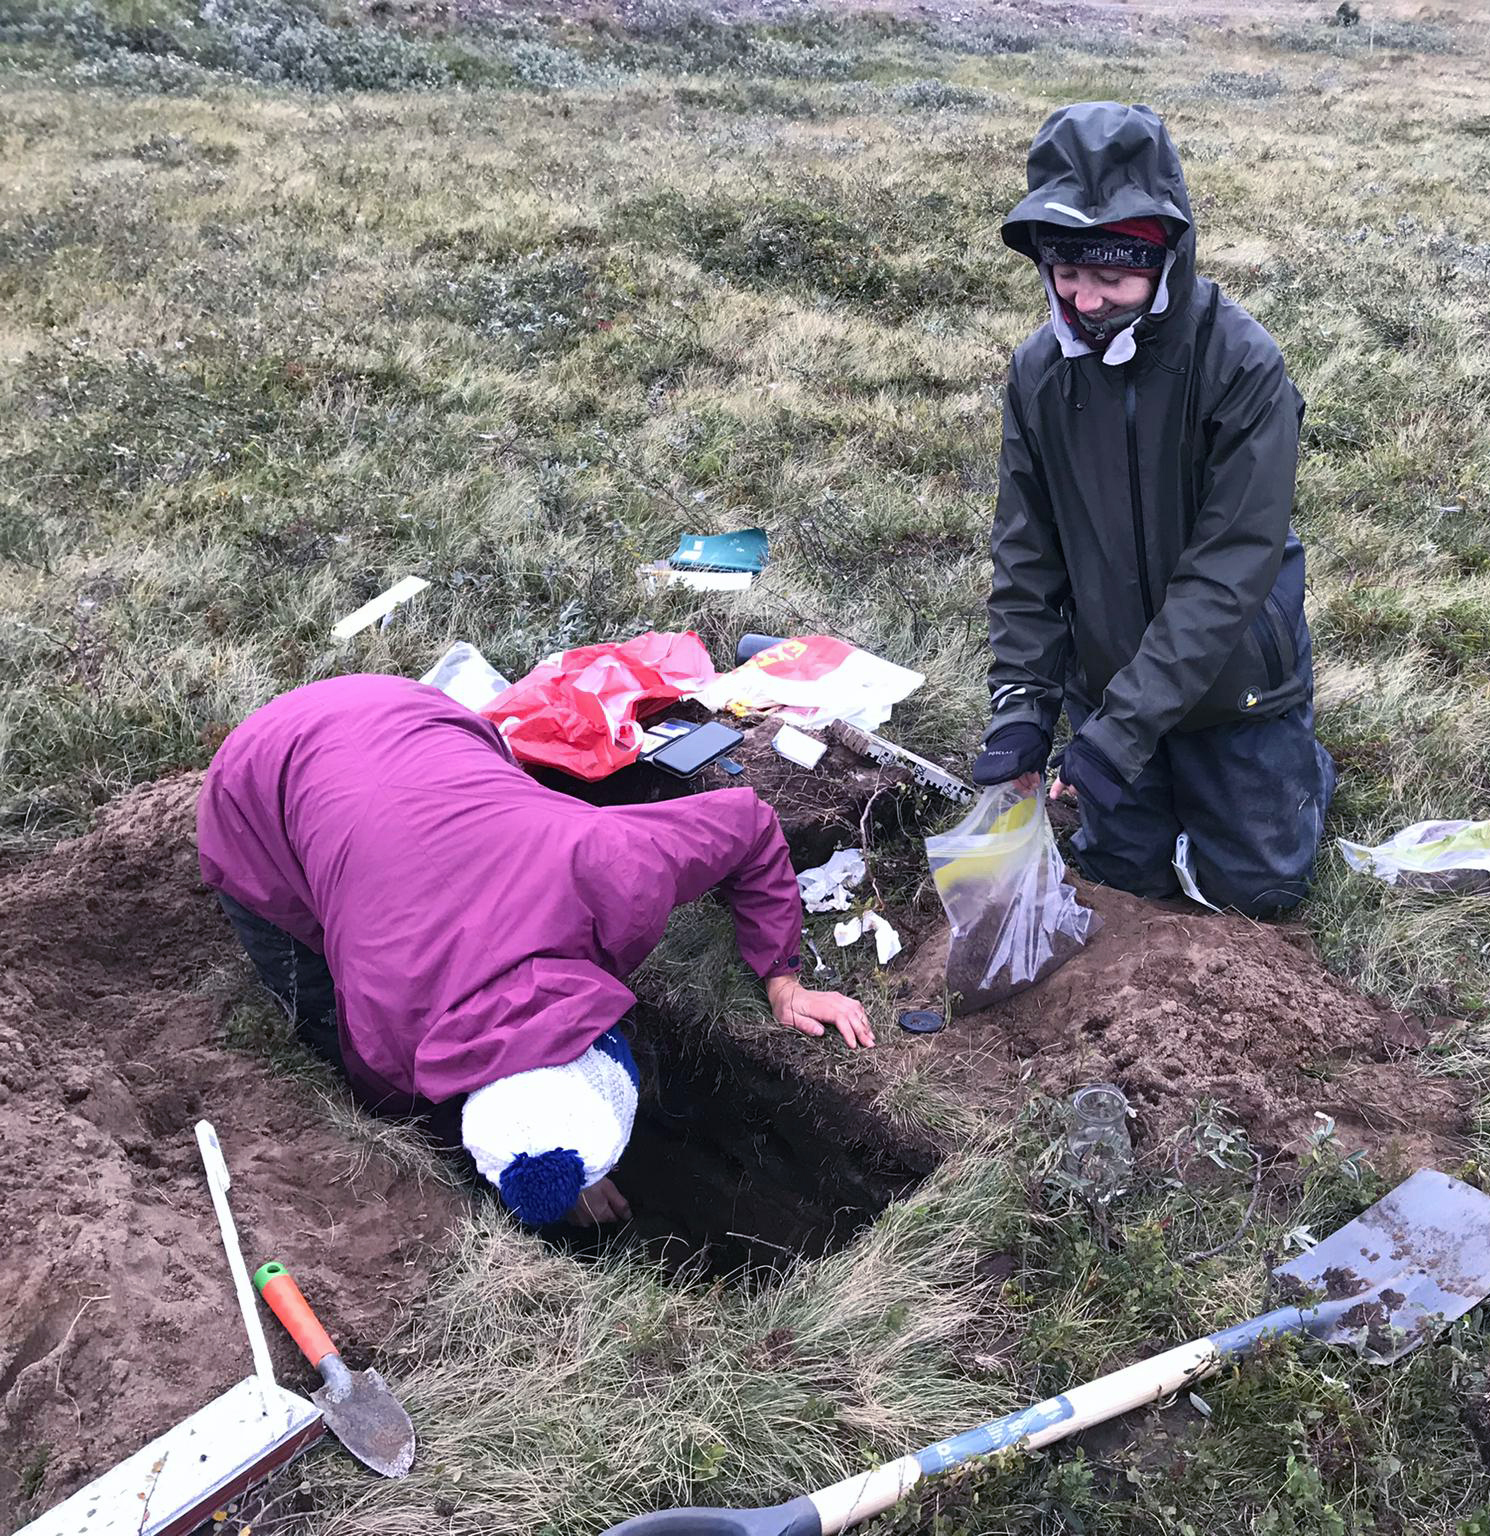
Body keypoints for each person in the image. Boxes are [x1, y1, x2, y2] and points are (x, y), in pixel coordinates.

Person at [197, 674, 872, 1229]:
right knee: (311, 1003)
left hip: (413, 715)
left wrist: (782, 977)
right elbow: (391, 1102)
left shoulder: (608, 867)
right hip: (256, 787)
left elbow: (748, 826)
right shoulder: (376, 1023)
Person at [971, 101, 1335, 917]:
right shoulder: (1038, 372)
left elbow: (1229, 568)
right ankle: (1142, 769)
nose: (1086, 301)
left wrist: (1123, 734)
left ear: (1164, 257)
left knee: (1257, 892)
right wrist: (1023, 706)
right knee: (1119, 877)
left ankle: (1296, 762)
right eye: (1068, 274)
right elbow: (1026, 553)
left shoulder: (1242, 364)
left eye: (1111, 276)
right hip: (1107, 680)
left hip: (1232, 683)